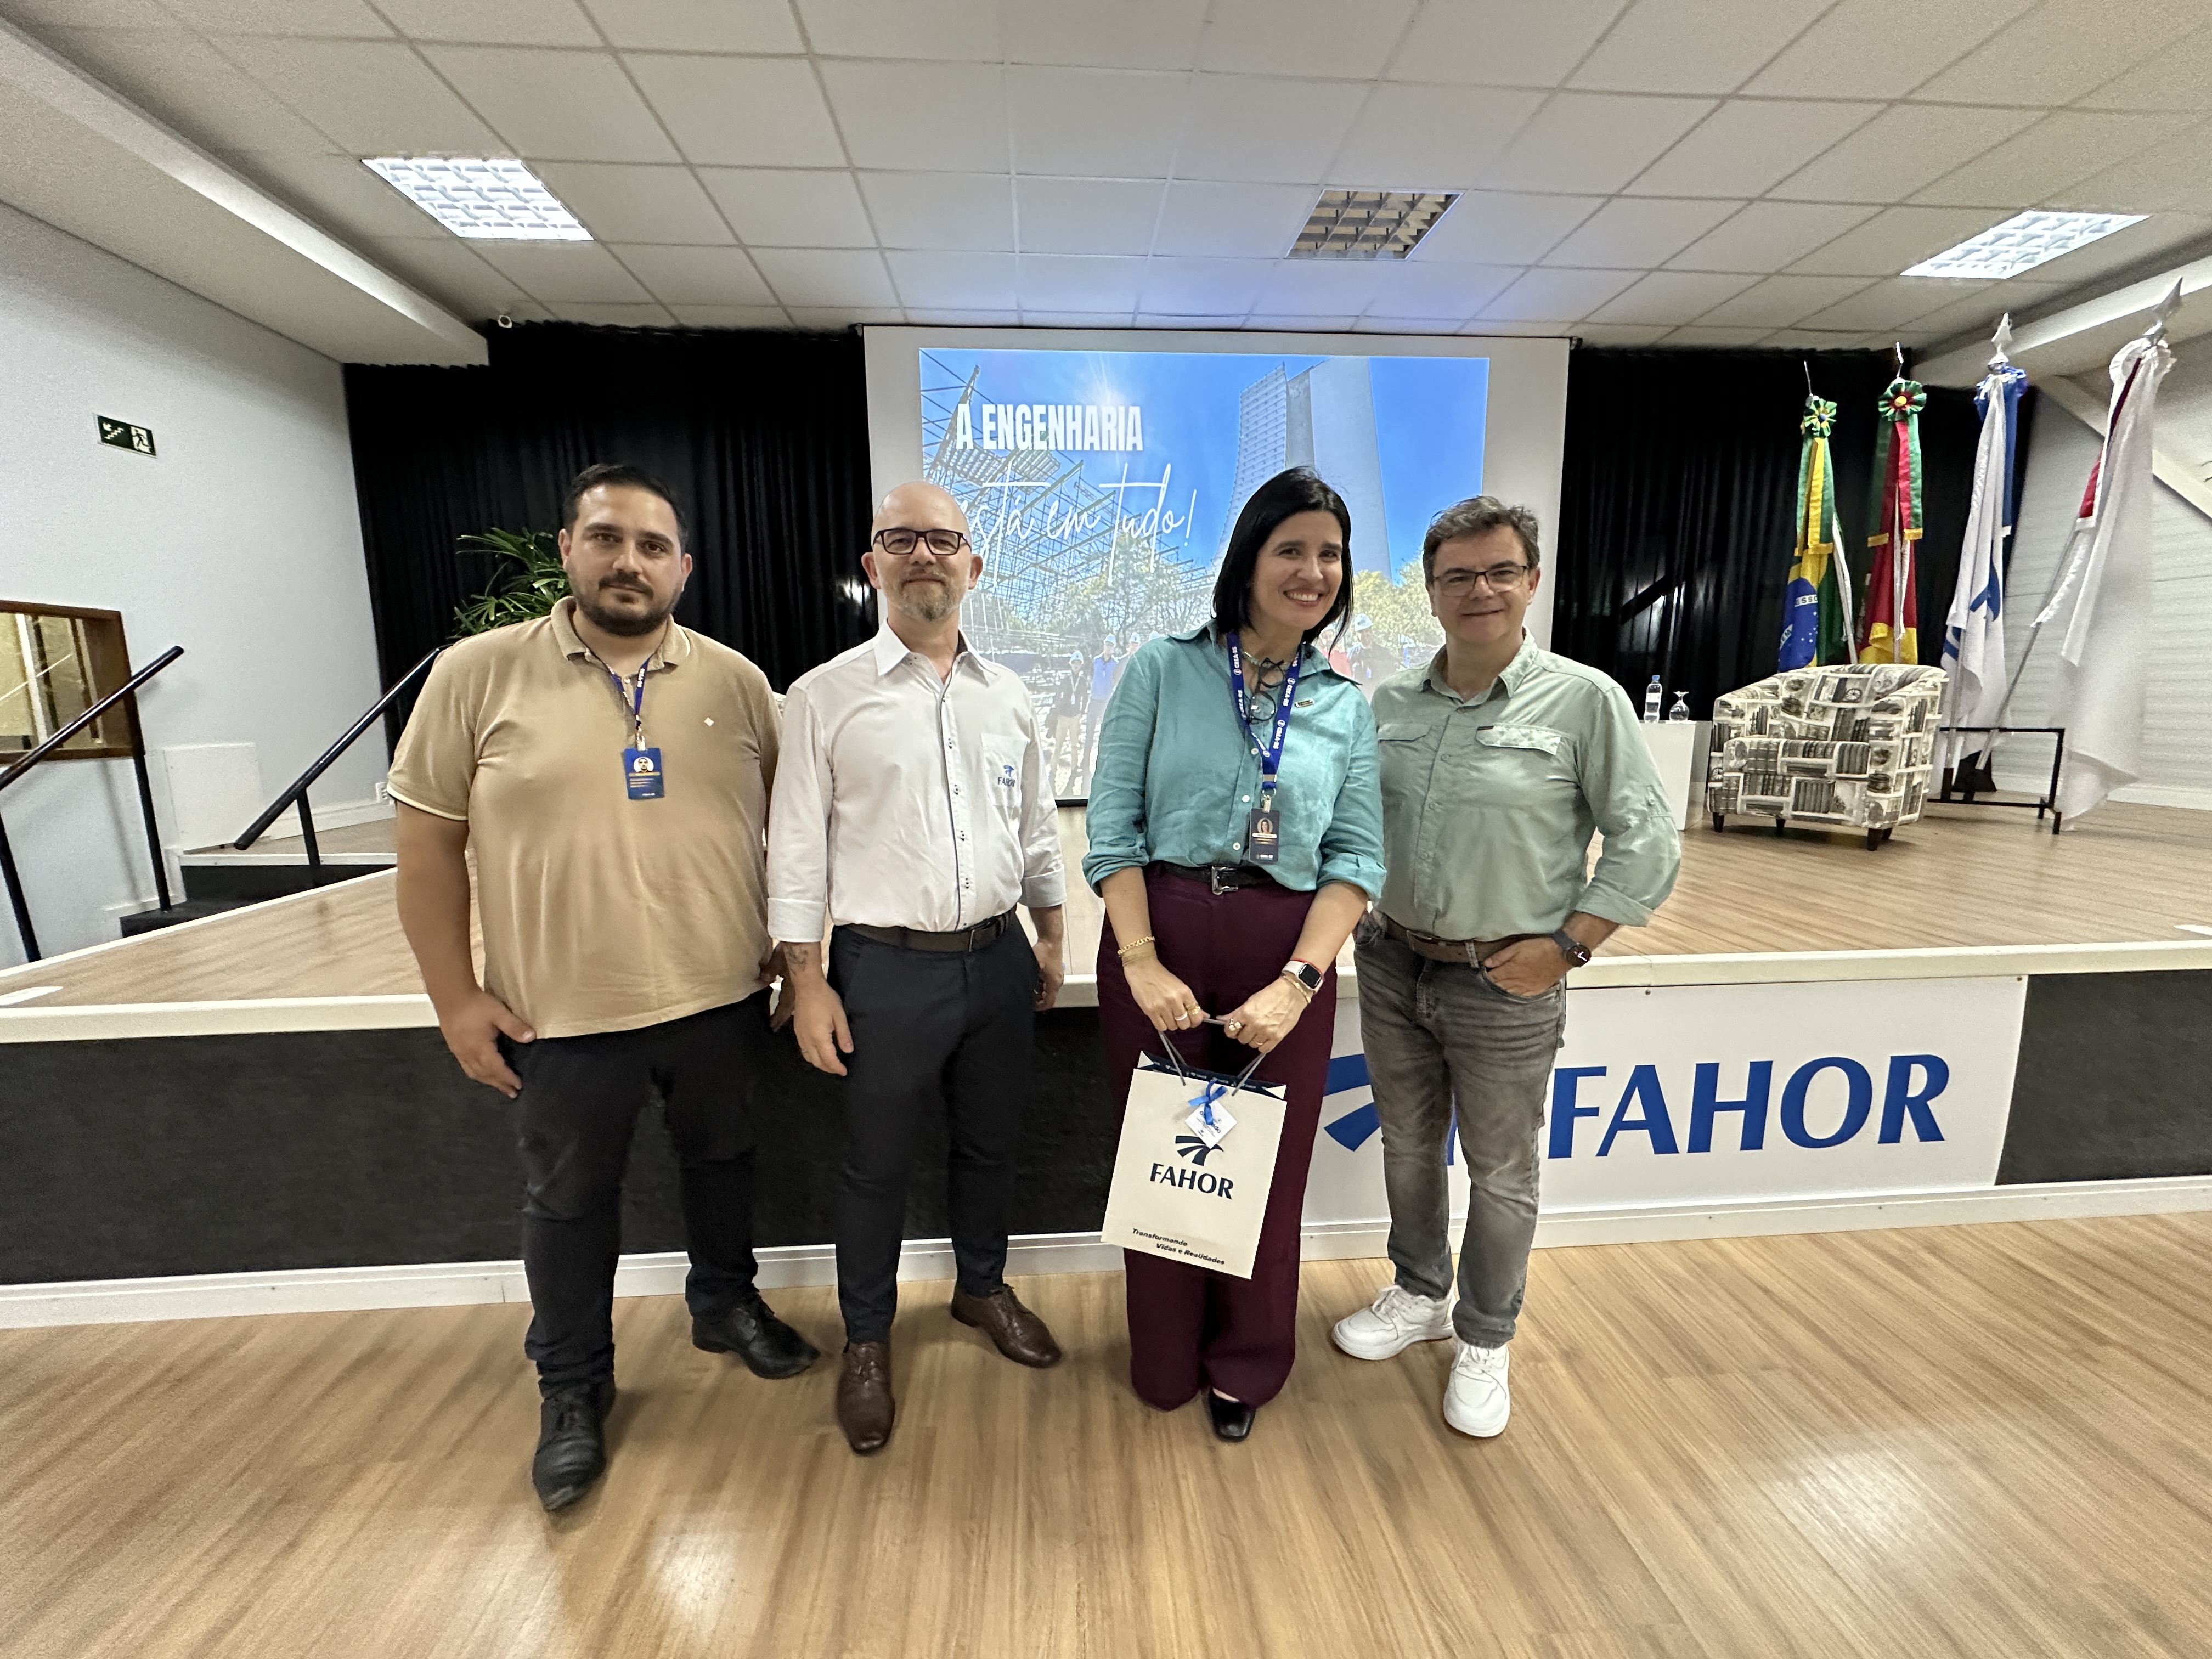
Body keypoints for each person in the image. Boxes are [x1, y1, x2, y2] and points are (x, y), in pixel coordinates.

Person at [390, 463, 816, 1514]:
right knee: (570, 1202)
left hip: (720, 994)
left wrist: (791, 946)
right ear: (569, 550)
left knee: (723, 1162)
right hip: (561, 1013)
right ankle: (573, 1384)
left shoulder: (736, 682)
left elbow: (795, 830)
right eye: (608, 539)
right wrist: (454, 998)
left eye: (653, 545)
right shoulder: (477, 674)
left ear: (684, 567)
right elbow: (426, 848)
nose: (630, 562)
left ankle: (723, 1302)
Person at [1330, 495, 1680, 1438]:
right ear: (1430, 591)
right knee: (1407, 1148)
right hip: (1394, 963)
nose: (1478, 589)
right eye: (1457, 575)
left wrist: (1569, 945)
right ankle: (1419, 1292)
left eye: (1498, 571)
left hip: (1506, 980)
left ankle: (1485, 1335)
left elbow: (1648, 841)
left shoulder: (1585, 700)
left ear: (1532, 581)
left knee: (1501, 1170)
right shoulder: (1389, 704)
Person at [1084, 466, 1385, 1443]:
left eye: (1330, 554)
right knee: (1166, 1159)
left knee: (1265, 1171)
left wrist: (1298, 984)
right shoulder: (1161, 670)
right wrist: (1140, 961)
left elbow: (1356, 858)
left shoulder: (1344, 705)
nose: (1312, 570)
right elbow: (1113, 829)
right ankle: (1165, 1353)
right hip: (1159, 930)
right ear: (1248, 559)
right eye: (1290, 548)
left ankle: (1246, 1362)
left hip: (1286, 947)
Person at [769, 481, 1068, 1457]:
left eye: (942, 539)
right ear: (873, 566)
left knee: (990, 1143)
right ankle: (867, 1339)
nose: (923, 554)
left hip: (997, 959)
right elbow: (795, 850)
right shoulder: (822, 696)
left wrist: (1052, 933)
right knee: (875, 1165)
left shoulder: (1009, 694)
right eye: (900, 539)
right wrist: (806, 978)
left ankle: (980, 1289)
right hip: (882, 971)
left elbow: (1034, 827)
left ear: (973, 565)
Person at [1049, 651, 1089, 794]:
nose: (1076, 666)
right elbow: (1057, 695)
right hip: (1063, 717)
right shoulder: (1065, 680)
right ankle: (1052, 770)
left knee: (1074, 745)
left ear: (1081, 665)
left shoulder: (1083, 681)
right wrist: (1057, 711)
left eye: (1078, 663)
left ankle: (1074, 769)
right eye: (1074, 663)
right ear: (1071, 664)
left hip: (1075, 718)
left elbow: (1085, 697)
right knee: (1058, 746)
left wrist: (1081, 712)